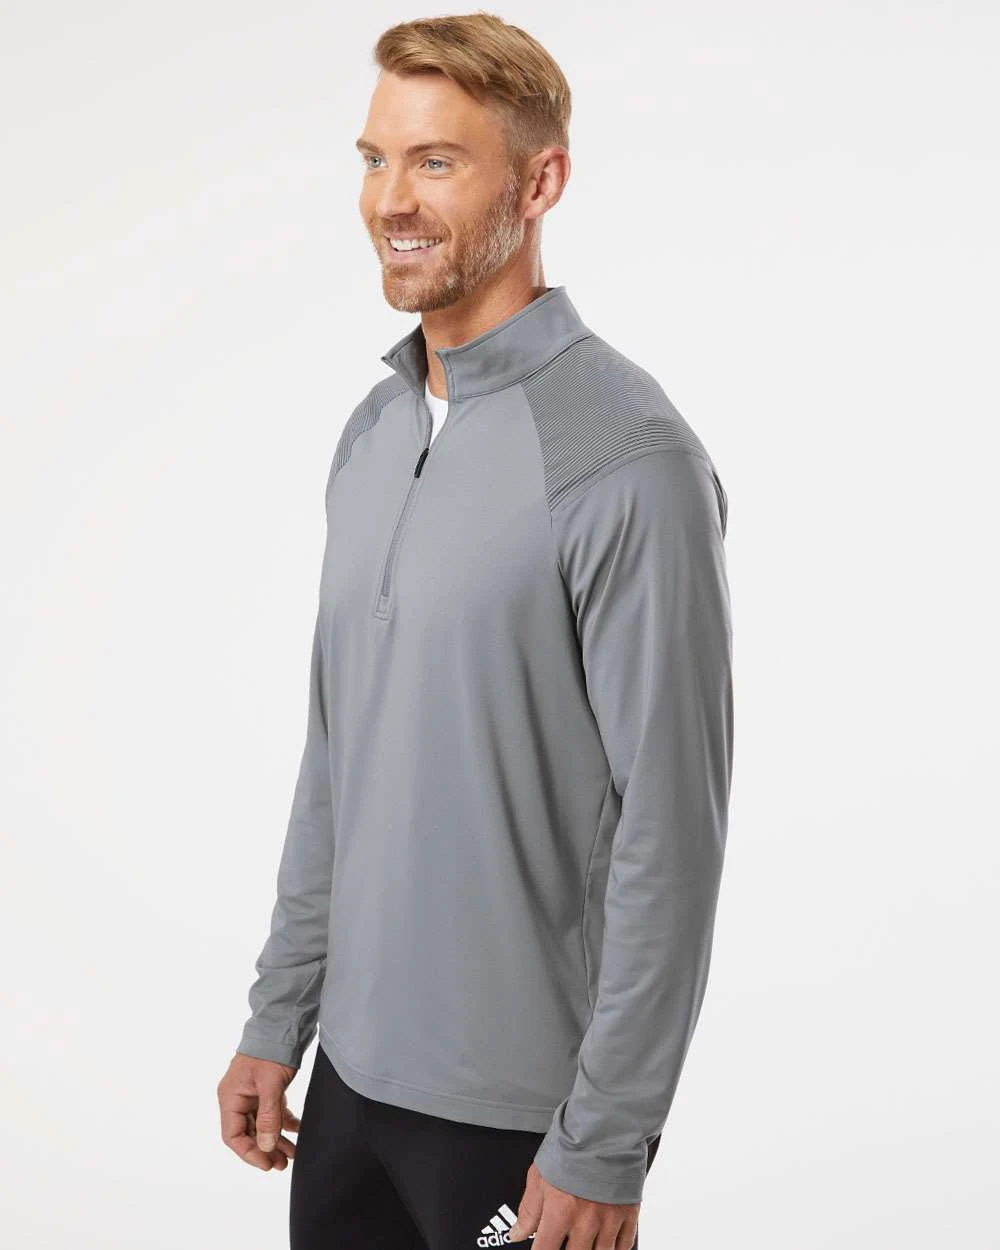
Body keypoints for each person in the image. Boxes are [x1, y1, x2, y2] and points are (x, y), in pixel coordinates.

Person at [217, 13, 734, 1250]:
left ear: (539, 182)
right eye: (374, 158)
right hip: (350, 1090)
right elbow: (337, 757)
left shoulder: (628, 457)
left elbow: (672, 831)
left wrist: (607, 1135)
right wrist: (278, 1015)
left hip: (524, 1119)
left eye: (436, 161)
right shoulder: (374, 431)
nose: (390, 200)